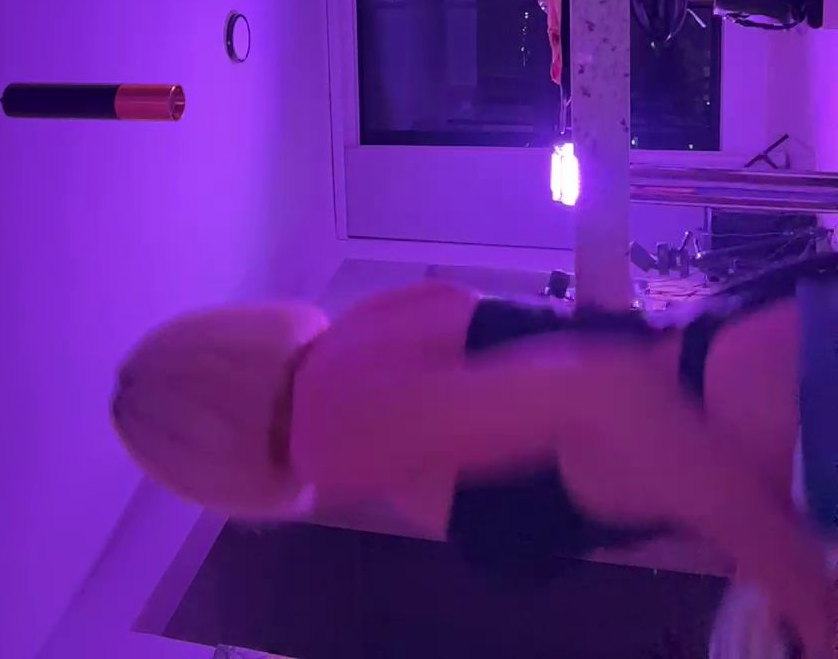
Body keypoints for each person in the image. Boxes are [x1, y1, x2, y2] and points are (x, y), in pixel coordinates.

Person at [112, 256, 838, 659]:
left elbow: (606, 393)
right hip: (779, 368)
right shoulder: (362, 332)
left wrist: (798, 586)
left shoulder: (330, 428)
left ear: (207, 465)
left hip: (796, 416)